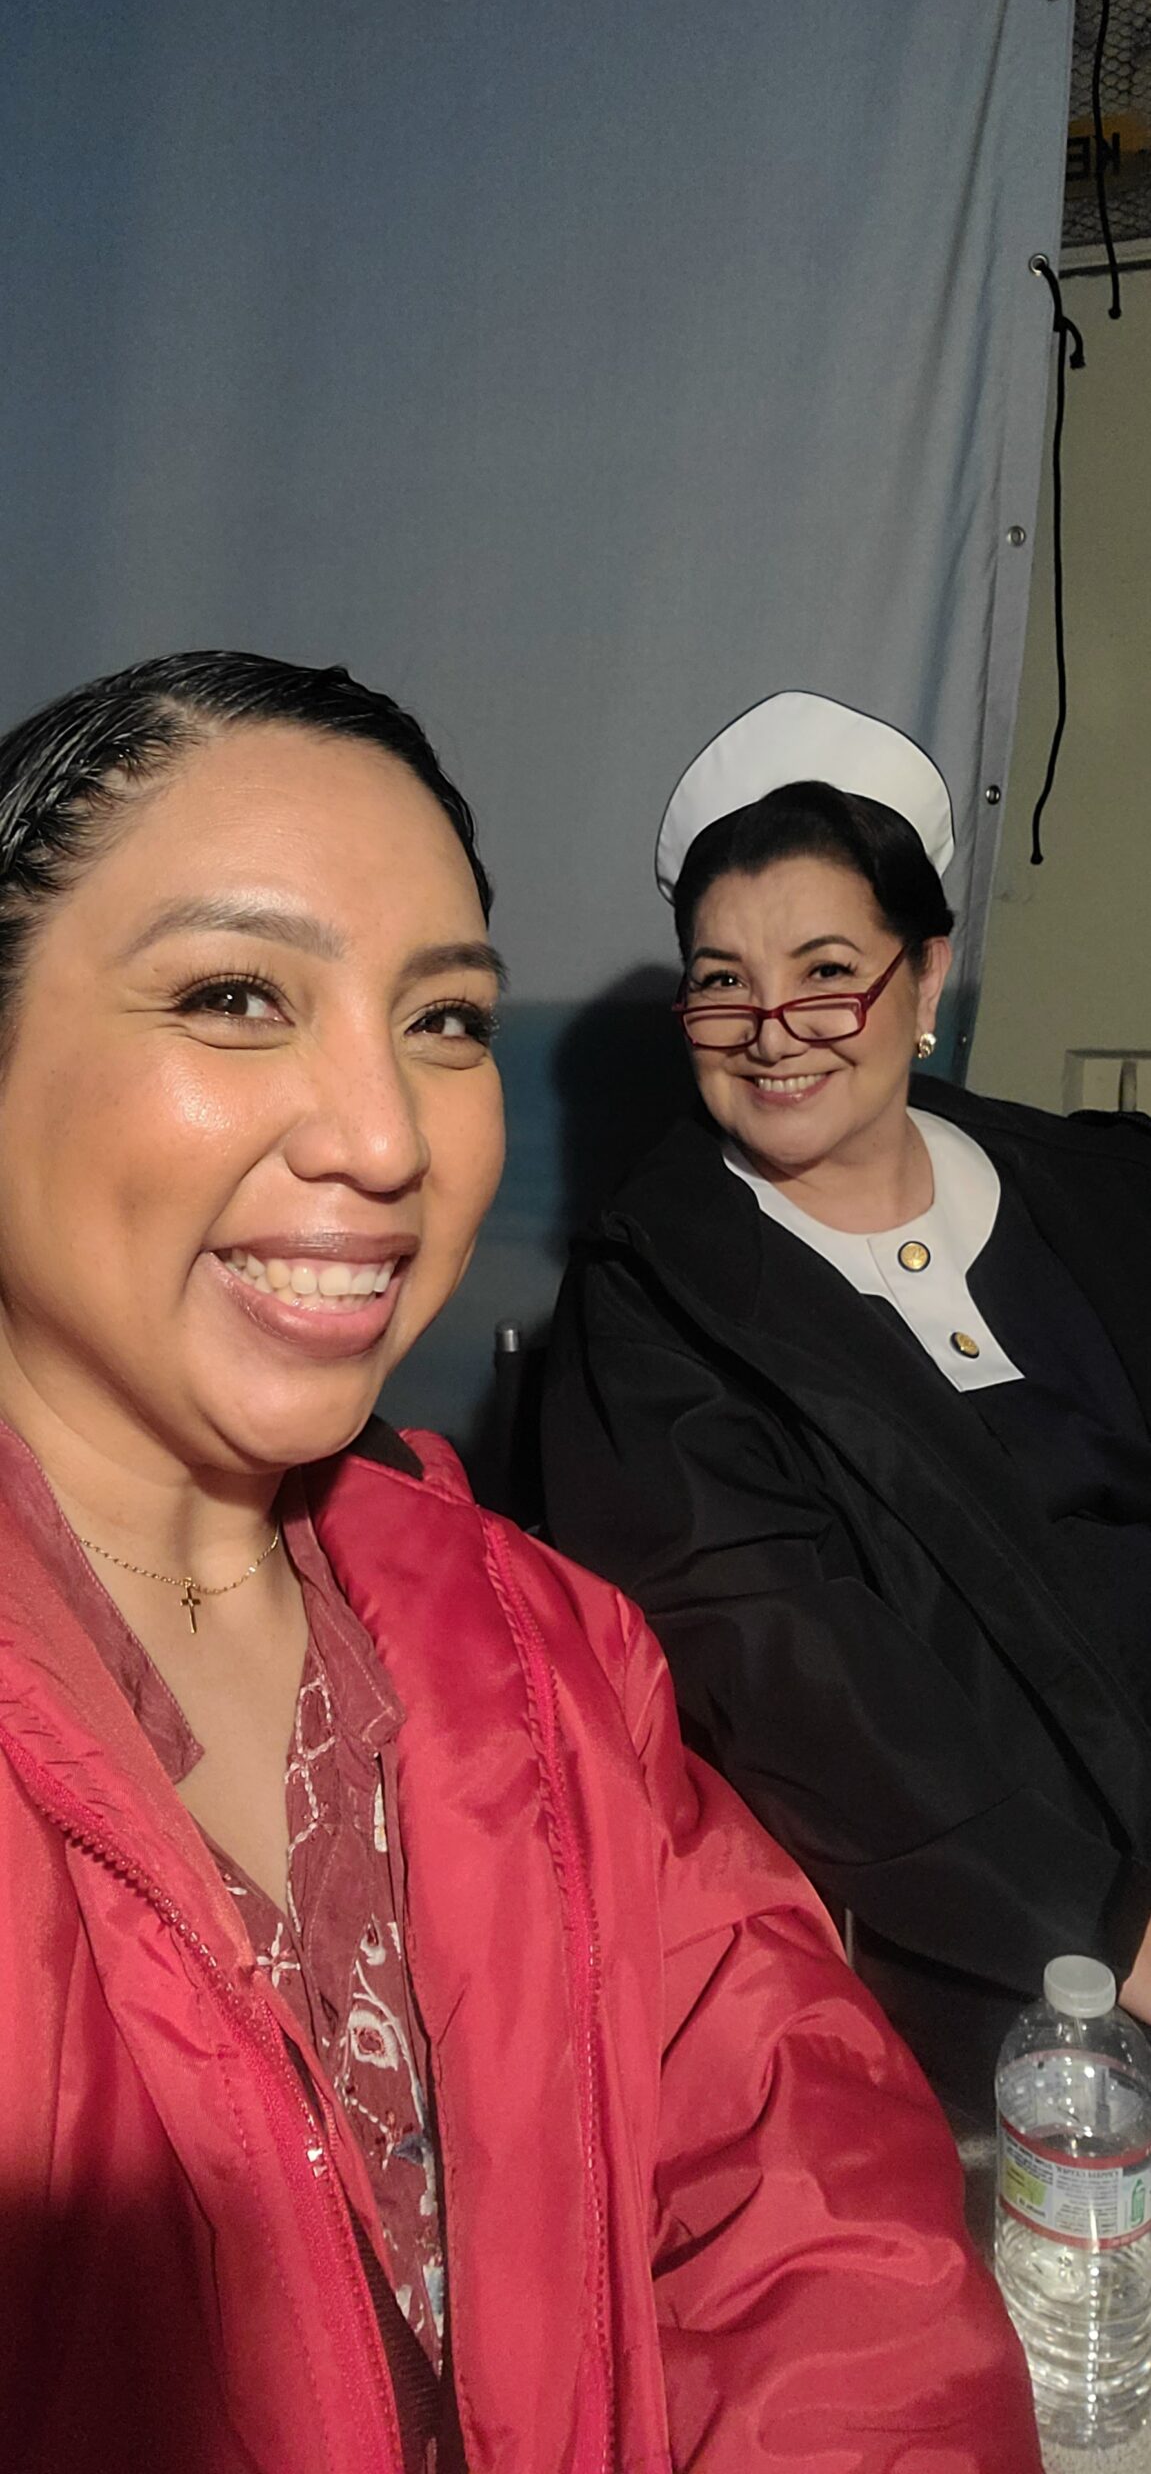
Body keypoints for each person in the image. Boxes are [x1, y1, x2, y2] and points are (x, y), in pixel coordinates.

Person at [0, 653, 1040, 2474]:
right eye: (236, 996)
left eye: (445, 1019)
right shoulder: (662, 1319)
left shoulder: (542, 1650)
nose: (386, 1139)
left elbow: (804, 2192)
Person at [543, 689, 1151, 2118]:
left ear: (926, 979)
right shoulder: (652, 1306)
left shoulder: (1109, 1190)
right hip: (999, 1969)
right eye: (722, 982)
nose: (772, 1032)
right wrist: (1113, 1938)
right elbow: (799, 1686)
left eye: (826, 971)